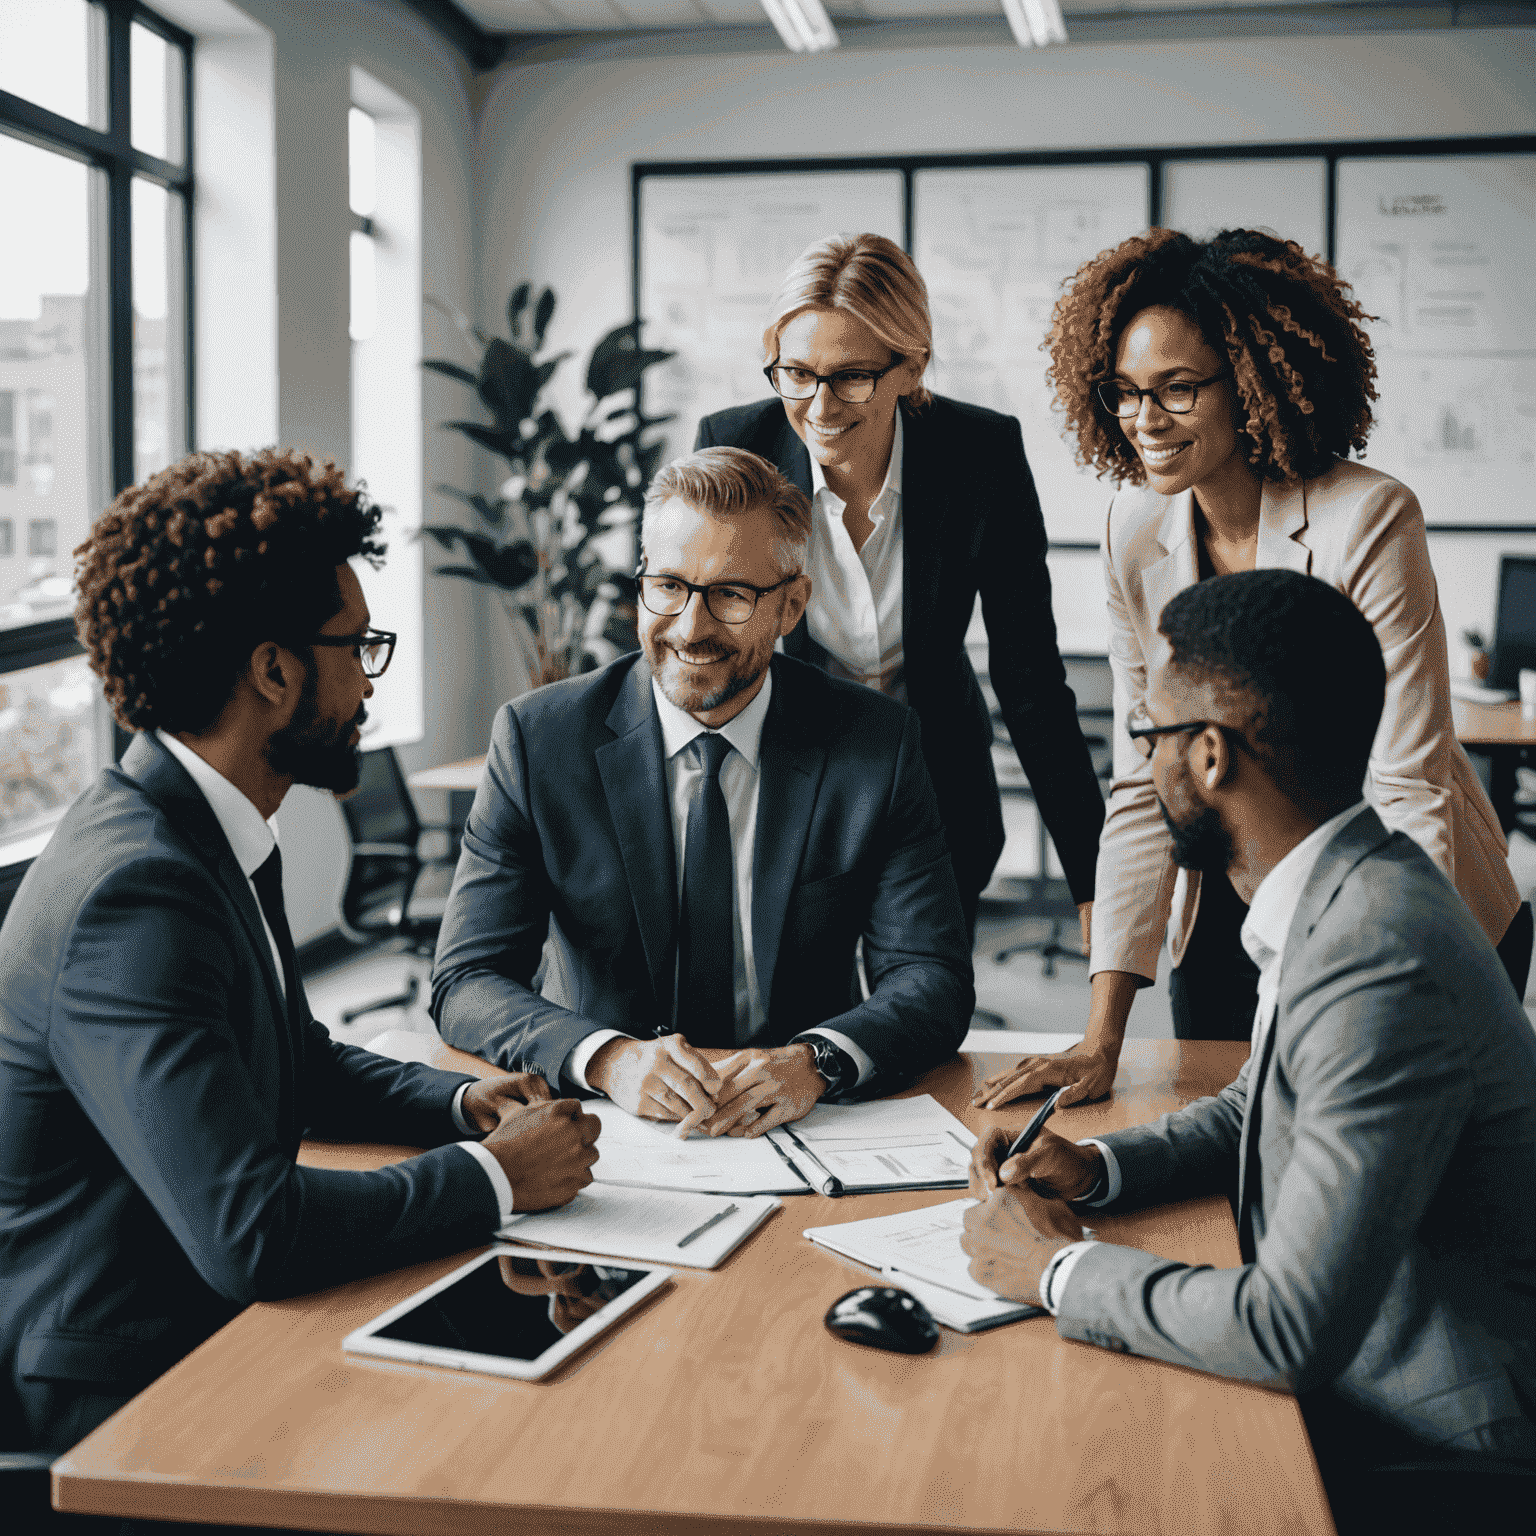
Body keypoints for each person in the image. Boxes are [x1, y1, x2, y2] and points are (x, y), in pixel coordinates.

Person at [0, 448, 601, 1479]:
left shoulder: (199, 828)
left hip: (195, 1322)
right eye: (357, 645)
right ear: (274, 672)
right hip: (117, 1390)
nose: (369, 679)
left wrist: (459, 1108)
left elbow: (298, 1059)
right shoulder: (135, 893)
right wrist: (495, 1178)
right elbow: (253, 1232)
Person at [961, 569, 1536, 1536]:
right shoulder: (1350, 887)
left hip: (1436, 1447)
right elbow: (1260, 1105)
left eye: (1150, 741)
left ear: (1213, 756)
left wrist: (1053, 1271)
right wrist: (1097, 1167)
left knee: (1056, 1472)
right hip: (1372, 1378)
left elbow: (1288, 1330)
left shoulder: (1375, 955)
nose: (1143, 771)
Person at [977, 227, 1527, 1111]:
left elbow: (1407, 782)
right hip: (1228, 888)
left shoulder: (1367, 520)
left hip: (1403, 885)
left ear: (1257, 383)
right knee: (1227, 1143)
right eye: (1124, 393)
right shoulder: (1134, 528)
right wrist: (1101, 1036)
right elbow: (1143, 775)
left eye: (1178, 390)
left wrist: (1393, 987)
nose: (1145, 421)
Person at [431, 447, 973, 1137]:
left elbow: (931, 978)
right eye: (669, 586)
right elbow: (467, 980)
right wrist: (610, 1059)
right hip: (604, 1123)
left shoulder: (876, 744)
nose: (691, 627)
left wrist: (815, 1062)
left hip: (801, 1120)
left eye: (731, 594)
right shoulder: (540, 741)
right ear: (640, 587)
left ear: (791, 606)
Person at [694, 233, 1104, 940]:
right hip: (787, 784)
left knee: (923, 1018)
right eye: (796, 372)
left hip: (938, 786)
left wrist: (1094, 880)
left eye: (851, 377)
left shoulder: (981, 456)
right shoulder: (738, 450)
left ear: (910, 368)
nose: (819, 405)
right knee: (798, 1025)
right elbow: (703, 644)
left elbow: (1029, 677)